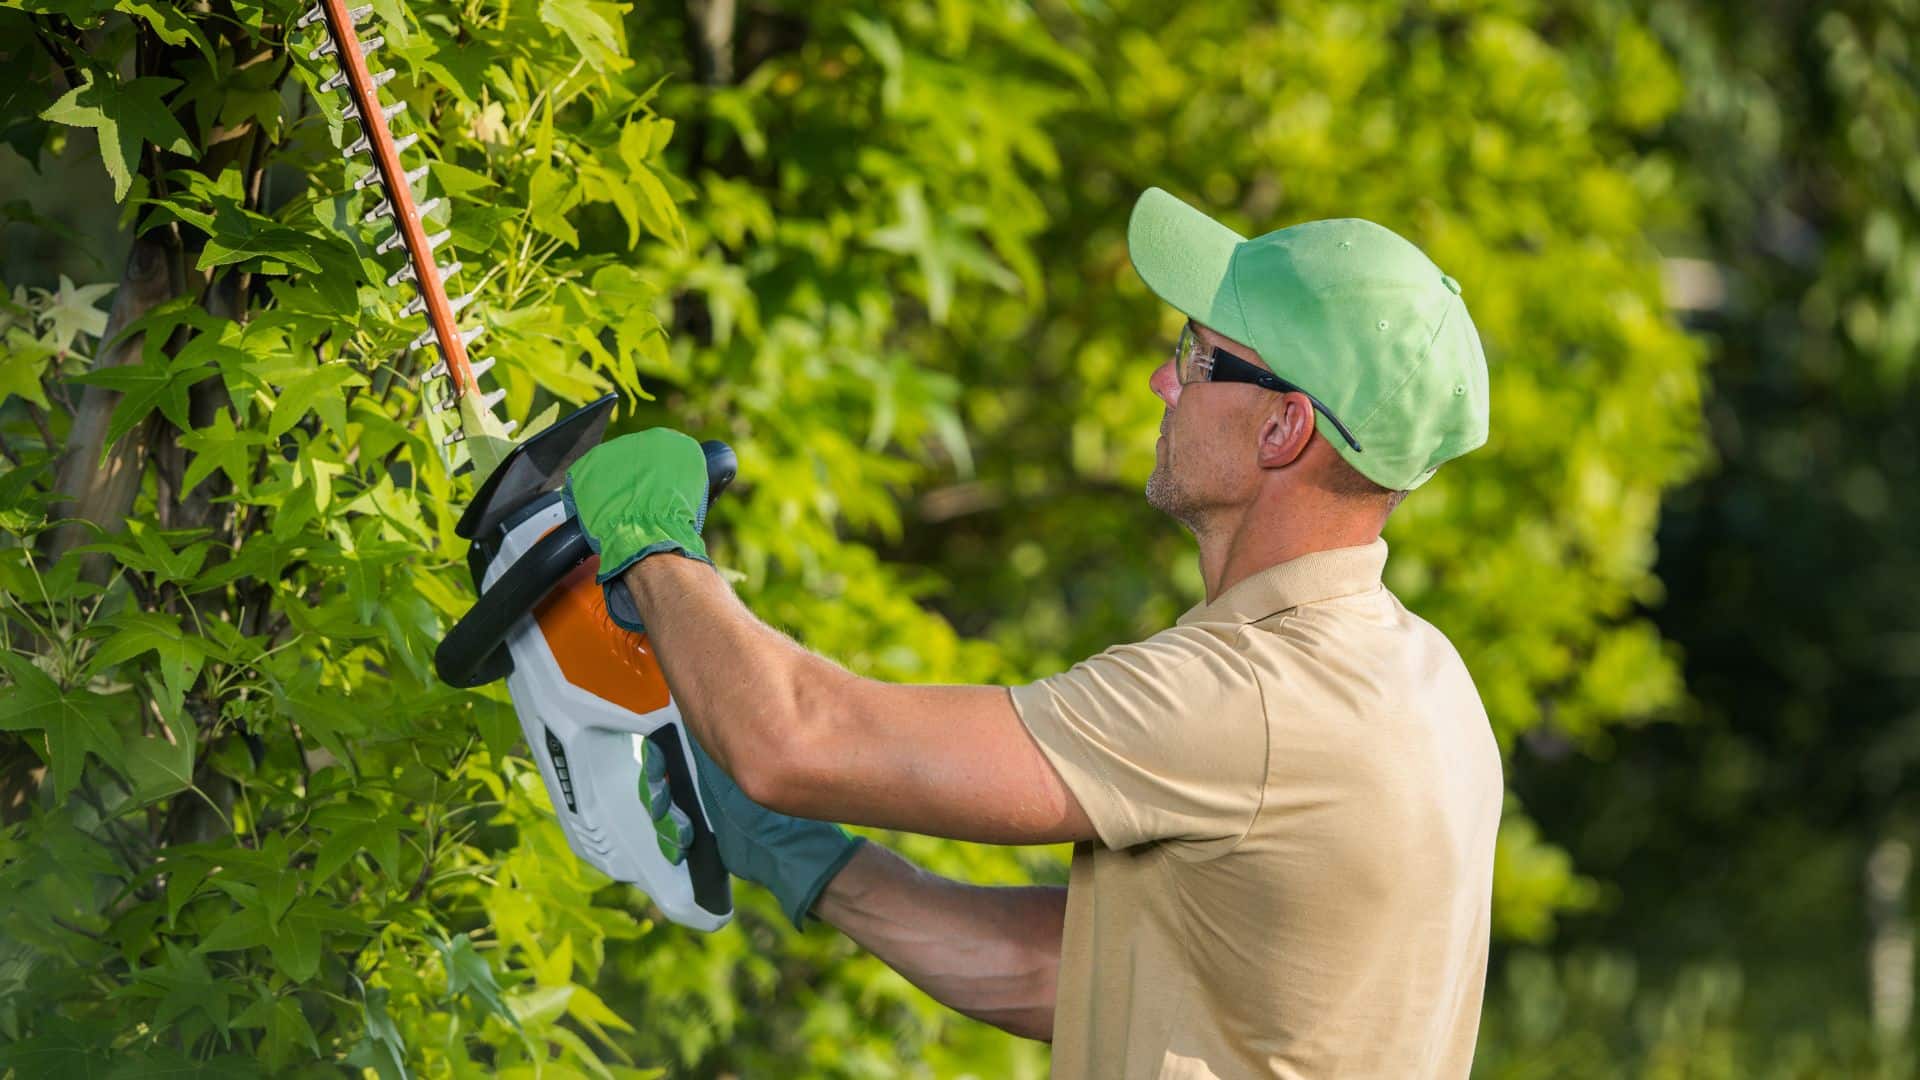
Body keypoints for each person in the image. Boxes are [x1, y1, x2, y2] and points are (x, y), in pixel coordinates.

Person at [562, 187, 1503, 1078]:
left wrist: (650, 543)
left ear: (1282, 429)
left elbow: (797, 738)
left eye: (1196, 355)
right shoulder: (1426, 683)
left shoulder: (1249, 699)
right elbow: (1067, 977)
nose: (1160, 382)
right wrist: (804, 854)